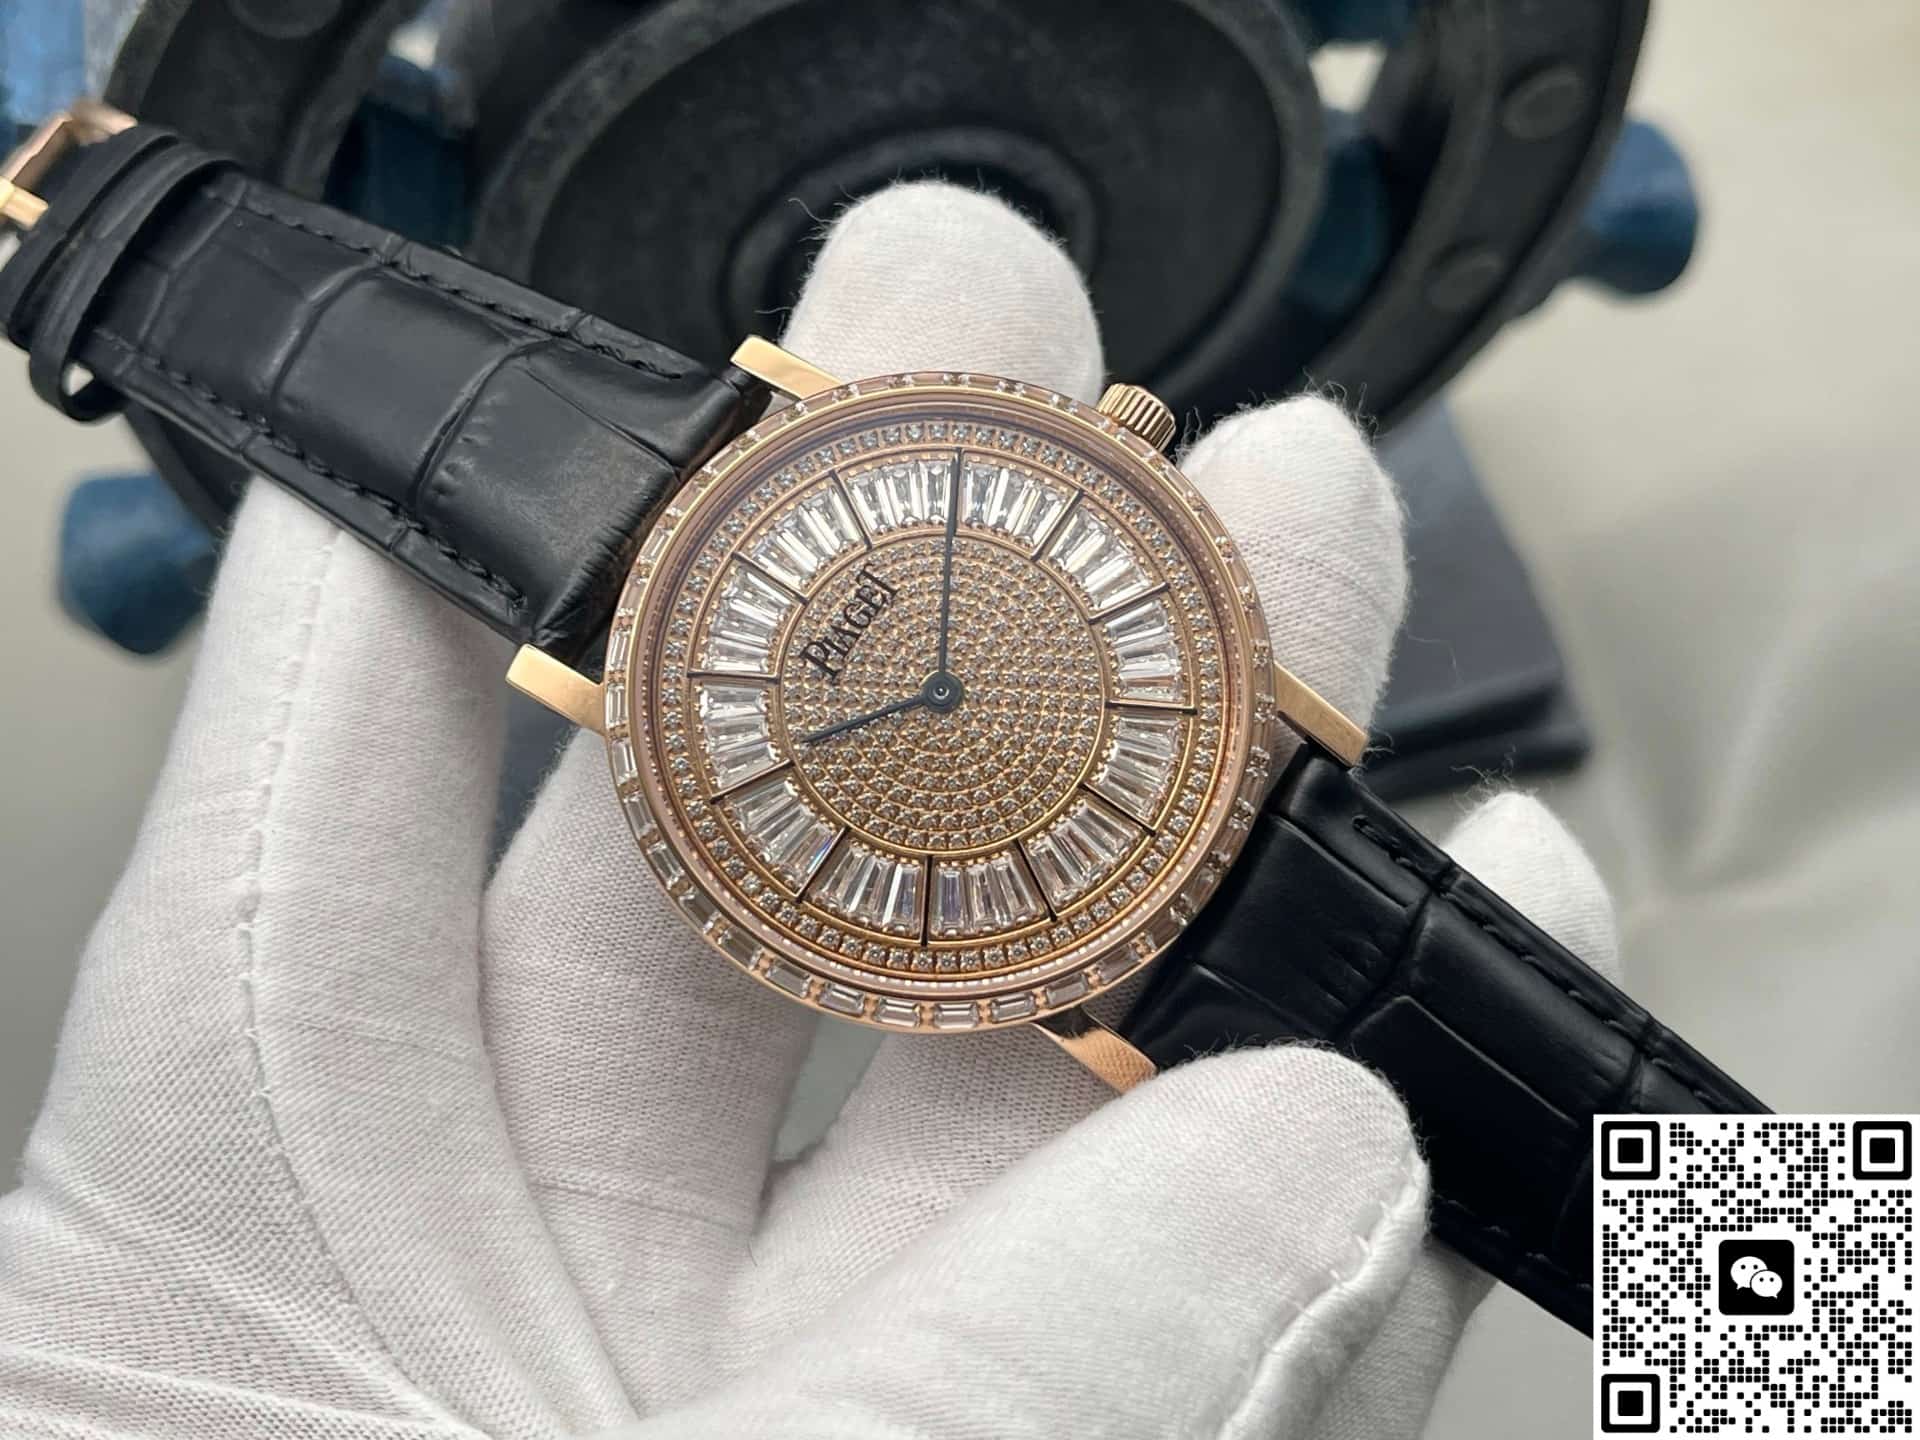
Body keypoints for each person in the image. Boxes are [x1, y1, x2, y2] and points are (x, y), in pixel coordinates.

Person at [0, 183, 1618, 1438]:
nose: (934, 693)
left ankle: (1786, 1334)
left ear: (1110, 460)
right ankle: (1781, 1333)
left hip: (1130, 843)